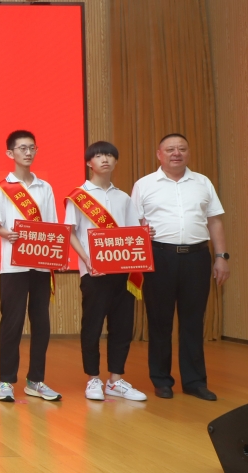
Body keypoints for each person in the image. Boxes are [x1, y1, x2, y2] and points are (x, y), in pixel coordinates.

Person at [131, 133, 229, 401]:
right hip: (159, 256)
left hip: (197, 258)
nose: (177, 153)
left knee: (193, 321)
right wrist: (141, 232)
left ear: (188, 153)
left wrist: (221, 256)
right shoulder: (144, 184)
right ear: (159, 154)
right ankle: (161, 380)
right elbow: (133, 222)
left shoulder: (203, 182)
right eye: (170, 149)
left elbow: (215, 221)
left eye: (182, 149)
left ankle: (195, 381)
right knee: (159, 321)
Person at [65, 141, 148, 401]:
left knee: (122, 326)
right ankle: (93, 378)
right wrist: (87, 260)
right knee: (92, 326)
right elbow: (70, 233)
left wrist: (145, 236)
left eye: (110, 155)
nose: (105, 159)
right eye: (99, 155)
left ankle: (116, 379)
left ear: (115, 161)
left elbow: (132, 232)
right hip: (94, 273)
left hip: (123, 272)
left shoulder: (123, 198)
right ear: (89, 162)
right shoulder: (78, 196)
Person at [0, 130, 62, 402]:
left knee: (41, 322)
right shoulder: (2, 188)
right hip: (13, 265)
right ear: (10, 153)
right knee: (13, 323)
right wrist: (7, 234)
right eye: (22, 148)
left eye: (32, 147)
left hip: (41, 263)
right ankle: (6, 381)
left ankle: (36, 380)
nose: (28, 152)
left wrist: (57, 255)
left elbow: (52, 226)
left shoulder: (45, 188)